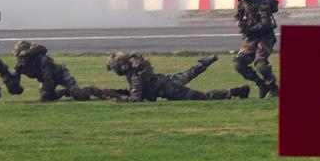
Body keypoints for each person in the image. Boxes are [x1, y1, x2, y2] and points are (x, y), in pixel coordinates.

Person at [106, 52, 249, 102]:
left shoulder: (135, 76)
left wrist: (120, 98)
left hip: (172, 90)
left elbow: (136, 98)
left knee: (204, 97)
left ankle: (235, 92)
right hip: (168, 81)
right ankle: (206, 61)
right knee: (191, 71)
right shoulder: (137, 68)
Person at [11, 41, 125, 102]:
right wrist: (9, 81)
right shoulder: (20, 65)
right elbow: (14, 84)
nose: (20, 59)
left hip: (61, 75)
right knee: (49, 98)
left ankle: (95, 91)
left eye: (21, 55)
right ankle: (65, 92)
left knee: (79, 95)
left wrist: (45, 93)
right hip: (48, 80)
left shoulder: (42, 59)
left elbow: (48, 79)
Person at [232, 0, 279, 98]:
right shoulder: (242, 2)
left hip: (265, 36)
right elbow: (237, 16)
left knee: (260, 64)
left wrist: (250, 29)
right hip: (251, 38)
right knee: (239, 63)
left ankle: (273, 88)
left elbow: (266, 23)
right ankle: (261, 85)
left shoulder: (262, 1)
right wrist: (240, 24)